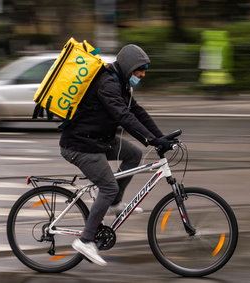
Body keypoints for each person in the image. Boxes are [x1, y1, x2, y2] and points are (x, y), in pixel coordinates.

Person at [59, 44, 171, 266]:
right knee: (108, 186)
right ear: (129, 67)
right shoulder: (108, 84)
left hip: (99, 139)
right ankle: (86, 240)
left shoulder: (121, 83)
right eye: (140, 69)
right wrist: (150, 139)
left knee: (133, 154)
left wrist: (161, 137)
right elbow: (122, 116)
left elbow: (136, 111)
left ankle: (114, 202)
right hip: (80, 144)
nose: (142, 74)